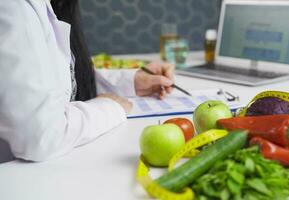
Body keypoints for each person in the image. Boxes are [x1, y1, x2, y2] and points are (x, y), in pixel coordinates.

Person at [0, 0, 174, 163]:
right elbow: (39, 135)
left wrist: (130, 81)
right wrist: (110, 107)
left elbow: (56, 78)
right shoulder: (14, 6)